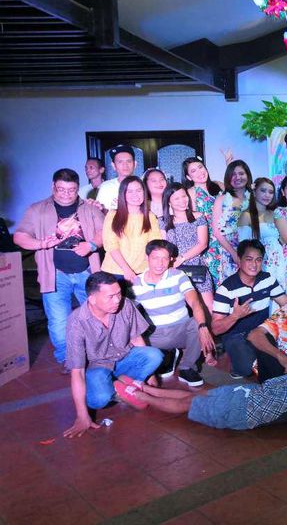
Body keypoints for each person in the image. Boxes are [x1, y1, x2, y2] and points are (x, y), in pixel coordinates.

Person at [114, 334, 287, 430]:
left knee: (188, 405)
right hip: (247, 393)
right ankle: (145, 388)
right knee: (194, 395)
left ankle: (139, 396)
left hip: (243, 411)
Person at [14, 168, 105, 370]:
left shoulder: (89, 208)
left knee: (96, 316)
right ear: (53, 187)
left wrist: (91, 245)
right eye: (61, 189)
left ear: (77, 188)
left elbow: (104, 232)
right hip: (54, 275)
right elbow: (19, 237)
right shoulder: (37, 209)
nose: (66, 194)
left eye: (71, 190)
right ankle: (68, 359)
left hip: (88, 273)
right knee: (58, 322)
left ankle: (97, 354)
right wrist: (41, 244)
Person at [62, 272, 163, 438]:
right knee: (99, 400)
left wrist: (151, 375)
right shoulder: (77, 321)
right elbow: (77, 371)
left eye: (119, 294)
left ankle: (120, 385)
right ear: (92, 299)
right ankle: (119, 387)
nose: (117, 300)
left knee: (154, 356)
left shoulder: (126, 305)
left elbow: (137, 339)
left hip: (124, 359)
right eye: (110, 297)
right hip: (98, 367)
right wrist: (82, 415)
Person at [131, 241, 214, 386]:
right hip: (155, 334)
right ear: (147, 257)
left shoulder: (178, 276)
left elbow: (195, 302)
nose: (160, 263)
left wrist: (203, 326)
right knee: (132, 340)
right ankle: (169, 354)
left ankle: (187, 367)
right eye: (156, 258)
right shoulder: (136, 283)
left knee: (196, 323)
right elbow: (128, 314)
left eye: (165, 258)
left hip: (181, 330)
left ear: (171, 259)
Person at [212, 240, 287, 379]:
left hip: (260, 332)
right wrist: (235, 316)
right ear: (239, 259)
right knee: (247, 368)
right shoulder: (226, 289)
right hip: (236, 335)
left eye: (258, 260)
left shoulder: (267, 279)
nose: (254, 265)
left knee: (274, 363)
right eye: (249, 259)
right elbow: (216, 329)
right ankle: (237, 361)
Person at [160, 183, 213, 315]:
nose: (182, 201)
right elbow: (163, 247)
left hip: (197, 268)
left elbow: (203, 244)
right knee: (179, 311)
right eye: (176, 198)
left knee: (208, 308)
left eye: (184, 196)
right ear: (169, 202)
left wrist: (182, 258)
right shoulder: (163, 221)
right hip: (174, 270)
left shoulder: (198, 216)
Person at [101, 176, 162, 281]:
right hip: (114, 272)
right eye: (130, 191)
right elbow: (111, 246)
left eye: (139, 190)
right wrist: (126, 269)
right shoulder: (112, 215)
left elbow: (154, 244)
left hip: (142, 271)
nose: (135, 195)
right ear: (123, 194)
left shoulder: (150, 216)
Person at [208, 160, 252, 286]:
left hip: (253, 250)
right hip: (230, 252)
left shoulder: (254, 197)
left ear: (248, 175)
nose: (238, 177)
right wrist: (234, 253)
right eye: (233, 174)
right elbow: (216, 231)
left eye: (241, 174)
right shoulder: (221, 199)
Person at [238, 177, 284, 284]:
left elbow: (283, 239)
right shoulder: (246, 216)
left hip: (278, 261)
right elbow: (243, 247)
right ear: (254, 192)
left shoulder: (274, 213)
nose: (267, 195)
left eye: (271, 192)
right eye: (263, 191)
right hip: (258, 264)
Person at [95, 144, 137, 211]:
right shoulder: (106, 187)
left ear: (135, 164)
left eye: (128, 161)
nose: (125, 165)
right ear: (113, 165)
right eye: (120, 162)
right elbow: (99, 212)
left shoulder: (143, 184)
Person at [182, 156, 222, 224]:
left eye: (200, 167)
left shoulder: (218, 184)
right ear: (189, 177)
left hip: (229, 228)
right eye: (193, 171)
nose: (200, 172)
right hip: (207, 230)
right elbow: (194, 221)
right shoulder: (190, 192)